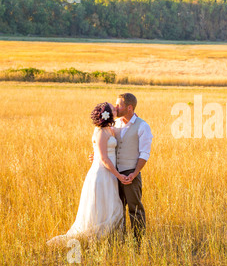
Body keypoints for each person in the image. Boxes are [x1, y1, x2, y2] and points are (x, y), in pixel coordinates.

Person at [47, 102, 126, 246]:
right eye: (113, 109)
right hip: (102, 173)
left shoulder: (110, 129)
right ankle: (93, 238)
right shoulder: (101, 131)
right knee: (100, 206)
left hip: (109, 174)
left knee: (109, 204)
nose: (116, 110)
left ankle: (107, 239)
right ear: (107, 114)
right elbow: (103, 158)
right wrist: (119, 175)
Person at [113, 93, 153, 247]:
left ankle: (138, 243)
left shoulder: (142, 126)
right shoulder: (115, 124)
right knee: (117, 208)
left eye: (119, 105)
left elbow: (144, 153)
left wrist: (134, 174)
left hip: (131, 173)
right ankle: (120, 241)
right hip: (114, 174)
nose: (116, 108)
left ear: (129, 108)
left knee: (135, 208)